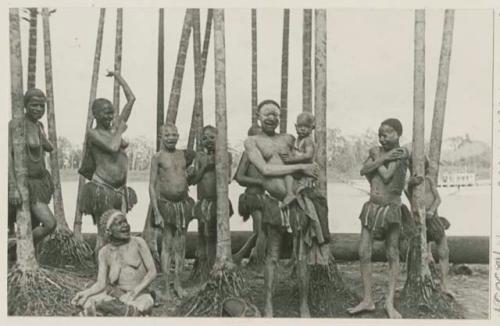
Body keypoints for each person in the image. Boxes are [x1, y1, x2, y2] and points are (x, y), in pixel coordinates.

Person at [244, 100, 328, 318]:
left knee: (301, 255)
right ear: (258, 115)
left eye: (276, 114)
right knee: (272, 255)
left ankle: (303, 304)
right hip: (274, 202)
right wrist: (301, 166)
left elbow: (308, 158)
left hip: (298, 202)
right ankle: (269, 304)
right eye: (267, 113)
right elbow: (265, 169)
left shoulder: (289, 138)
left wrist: (308, 169)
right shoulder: (252, 141)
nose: (272, 117)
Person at [347, 118, 409, 319]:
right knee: (363, 251)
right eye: (380, 134)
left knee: (392, 253)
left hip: (390, 208)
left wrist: (379, 158)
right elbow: (363, 170)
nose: (382, 138)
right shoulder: (380, 153)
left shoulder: (400, 154)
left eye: (387, 133)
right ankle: (367, 299)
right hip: (371, 208)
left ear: (398, 134)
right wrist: (380, 157)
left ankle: (390, 302)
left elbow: (388, 176)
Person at [78, 71, 137, 259]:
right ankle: (100, 271)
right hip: (102, 188)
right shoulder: (93, 134)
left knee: (119, 229)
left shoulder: (114, 128)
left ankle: (116, 268)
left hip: (120, 189)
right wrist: (119, 131)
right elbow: (112, 147)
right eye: (105, 112)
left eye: (112, 111)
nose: (110, 115)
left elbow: (131, 99)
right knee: (104, 232)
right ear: (95, 114)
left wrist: (118, 77)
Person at [71, 210, 157, 316]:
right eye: (119, 223)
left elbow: (152, 272)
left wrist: (133, 293)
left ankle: (117, 311)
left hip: (140, 294)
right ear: (109, 231)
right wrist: (85, 293)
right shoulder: (104, 252)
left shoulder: (138, 243)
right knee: (86, 301)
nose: (125, 225)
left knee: (144, 304)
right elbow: (101, 283)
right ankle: (115, 310)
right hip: (117, 296)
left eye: (125, 222)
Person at [149, 123, 195, 300]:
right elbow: (152, 186)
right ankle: (166, 286)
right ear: (161, 136)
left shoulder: (183, 155)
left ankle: (178, 283)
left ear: (178, 135)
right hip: (166, 205)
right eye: (167, 135)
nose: (171, 138)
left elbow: (187, 176)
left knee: (181, 245)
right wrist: (156, 211)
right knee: (167, 244)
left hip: (182, 205)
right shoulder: (158, 157)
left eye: (174, 134)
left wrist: (191, 173)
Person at [8, 88, 57, 250]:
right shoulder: (16, 124)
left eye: (42, 106)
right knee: (50, 223)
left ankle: (30, 261)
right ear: (25, 105)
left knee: (36, 223)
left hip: (40, 183)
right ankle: (15, 249)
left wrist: (40, 130)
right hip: (25, 183)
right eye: (34, 105)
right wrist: (13, 187)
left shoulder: (38, 125)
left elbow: (49, 147)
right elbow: (7, 156)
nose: (38, 109)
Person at [188, 125, 233, 272]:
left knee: (216, 233)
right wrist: (205, 167)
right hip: (204, 202)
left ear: (218, 138)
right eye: (204, 138)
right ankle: (205, 267)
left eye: (212, 137)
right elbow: (193, 180)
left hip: (219, 202)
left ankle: (217, 265)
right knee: (206, 234)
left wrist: (217, 164)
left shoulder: (226, 155)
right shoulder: (199, 157)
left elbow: (228, 179)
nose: (208, 141)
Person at [407, 158, 453, 297]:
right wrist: (410, 185)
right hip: (419, 222)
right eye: (412, 166)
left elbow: (438, 199)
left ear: (425, 168)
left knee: (444, 251)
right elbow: (411, 200)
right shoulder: (409, 184)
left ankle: (445, 284)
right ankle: (416, 281)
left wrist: (431, 210)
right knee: (417, 253)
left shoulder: (428, 180)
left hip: (433, 218)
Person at [233, 125, 266, 266]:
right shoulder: (247, 154)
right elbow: (238, 177)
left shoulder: (265, 155)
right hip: (252, 197)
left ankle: (253, 257)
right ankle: (243, 256)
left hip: (263, 198)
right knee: (260, 231)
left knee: (261, 230)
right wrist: (259, 181)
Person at [280, 111, 317, 207]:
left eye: (306, 127)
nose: (303, 129)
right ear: (296, 127)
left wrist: (291, 159)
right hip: (299, 167)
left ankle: (292, 194)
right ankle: (290, 193)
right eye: (300, 126)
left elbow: (308, 155)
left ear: (312, 128)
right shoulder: (296, 141)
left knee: (289, 174)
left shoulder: (308, 140)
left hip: (307, 167)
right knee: (287, 173)